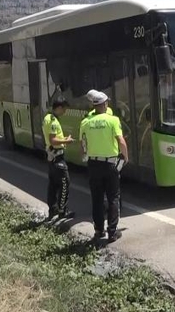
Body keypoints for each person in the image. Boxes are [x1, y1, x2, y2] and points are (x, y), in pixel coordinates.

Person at [79, 90, 129, 243]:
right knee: (113, 197)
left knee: (97, 198)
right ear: (105, 104)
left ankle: (98, 231)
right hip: (110, 164)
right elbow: (121, 141)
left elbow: (82, 144)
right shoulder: (112, 120)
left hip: (93, 164)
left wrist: (84, 157)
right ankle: (112, 232)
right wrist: (125, 157)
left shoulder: (85, 122)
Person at [43, 97, 76, 221]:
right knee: (64, 184)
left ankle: (53, 209)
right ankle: (63, 211)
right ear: (59, 108)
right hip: (57, 157)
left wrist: (63, 141)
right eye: (64, 109)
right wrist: (66, 141)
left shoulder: (47, 117)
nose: (65, 112)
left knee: (53, 185)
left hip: (52, 157)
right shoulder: (53, 121)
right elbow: (53, 140)